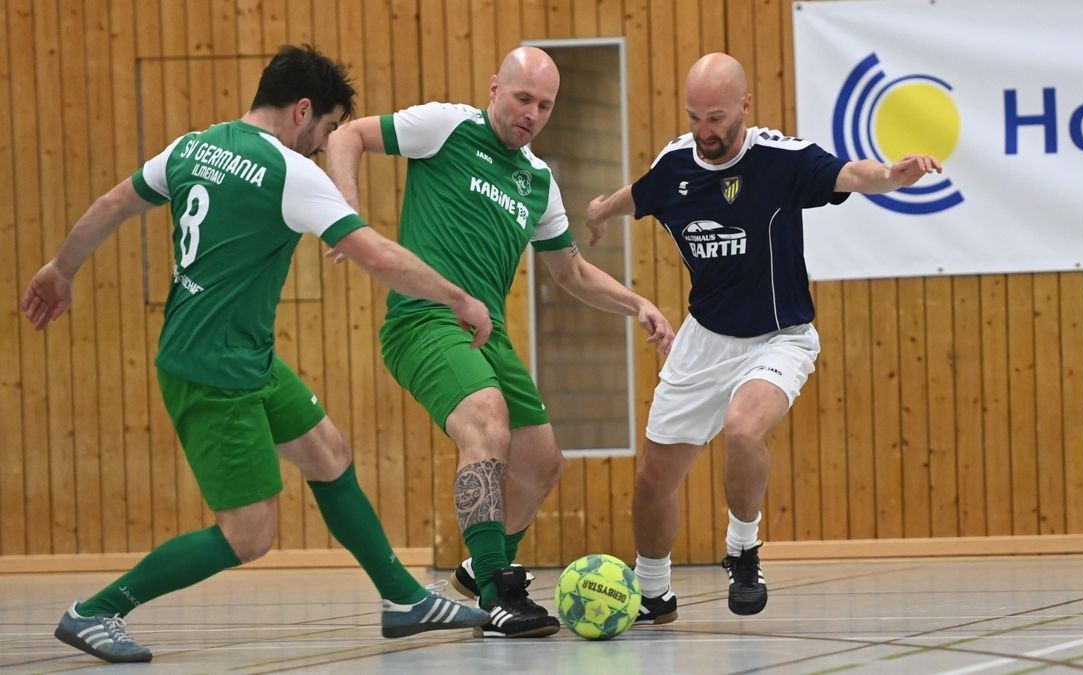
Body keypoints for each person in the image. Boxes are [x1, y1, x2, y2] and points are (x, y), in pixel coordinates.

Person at [22, 45, 494, 664]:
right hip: (215, 372)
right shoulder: (288, 173)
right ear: (302, 110)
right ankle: (97, 610)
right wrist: (459, 297)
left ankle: (404, 600)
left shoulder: (192, 146)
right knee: (249, 536)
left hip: (243, 355)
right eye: (327, 129)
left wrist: (62, 268)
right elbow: (375, 254)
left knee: (328, 451)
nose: (325, 145)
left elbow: (114, 204)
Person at [325, 46, 674, 638]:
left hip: (488, 335)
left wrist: (638, 302)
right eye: (522, 98)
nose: (532, 113)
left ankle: (478, 565)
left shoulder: (538, 181)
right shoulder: (446, 126)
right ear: (495, 88)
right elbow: (347, 137)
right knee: (486, 421)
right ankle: (497, 591)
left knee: (541, 462)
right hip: (423, 321)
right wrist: (346, 215)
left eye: (545, 106)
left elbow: (571, 271)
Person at [585, 52, 943, 624]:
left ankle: (743, 549)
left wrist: (894, 176)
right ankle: (653, 593)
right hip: (704, 339)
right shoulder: (677, 164)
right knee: (653, 481)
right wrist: (601, 211)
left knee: (743, 429)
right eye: (694, 117)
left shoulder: (782, 160)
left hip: (780, 337)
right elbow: (640, 193)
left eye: (717, 118)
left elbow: (852, 173)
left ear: (745, 107)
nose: (705, 132)